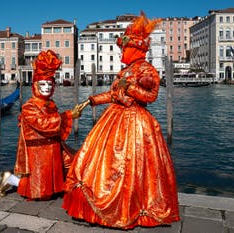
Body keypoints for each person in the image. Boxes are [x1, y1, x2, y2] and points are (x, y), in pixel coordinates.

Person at [62, 12, 180, 229]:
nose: (120, 53)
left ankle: (128, 208)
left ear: (134, 49)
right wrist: (90, 101)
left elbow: (151, 97)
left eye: (123, 49)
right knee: (98, 162)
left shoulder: (146, 69)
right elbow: (113, 94)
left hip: (136, 123)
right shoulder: (125, 70)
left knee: (127, 166)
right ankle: (96, 207)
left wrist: (132, 88)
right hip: (113, 119)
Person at [0, 50, 85, 200]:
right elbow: (43, 124)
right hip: (38, 153)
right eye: (42, 84)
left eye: (50, 84)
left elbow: (53, 123)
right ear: (35, 85)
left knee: (76, 162)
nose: (47, 87)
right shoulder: (29, 107)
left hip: (53, 147)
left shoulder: (50, 103)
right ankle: (9, 179)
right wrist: (70, 115)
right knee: (40, 191)